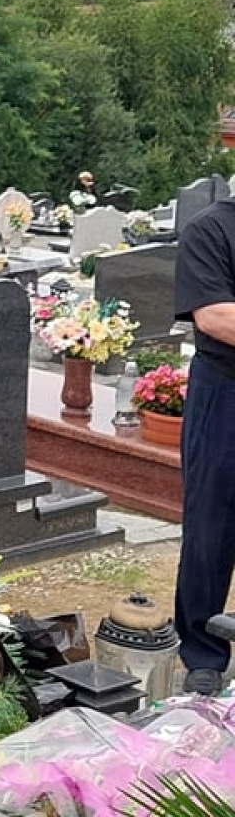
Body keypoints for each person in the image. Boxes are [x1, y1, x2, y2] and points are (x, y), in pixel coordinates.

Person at [172, 192, 235, 695]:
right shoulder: (210, 229)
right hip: (226, 389)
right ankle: (203, 653)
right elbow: (214, 316)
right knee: (211, 524)